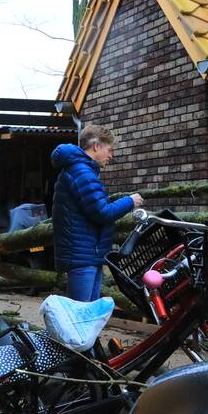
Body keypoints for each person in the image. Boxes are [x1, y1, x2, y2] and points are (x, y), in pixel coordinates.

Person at [51, 124, 144, 302]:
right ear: (96, 146)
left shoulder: (81, 170)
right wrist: (130, 201)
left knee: (87, 316)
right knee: (80, 316)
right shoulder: (82, 173)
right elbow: (102, 212)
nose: (111, 155)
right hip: (82, 257)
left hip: (87, 255)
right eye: (110, 150)